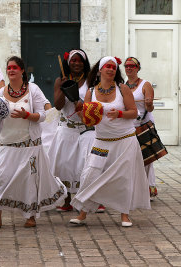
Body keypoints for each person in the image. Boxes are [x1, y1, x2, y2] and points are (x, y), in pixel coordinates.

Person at [0, 56, 67, 228]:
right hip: (8, 145)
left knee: (29, 181)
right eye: (9, 68)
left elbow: (43, 115)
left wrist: (26, 115)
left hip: (30, 146)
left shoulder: (32, 90)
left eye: (14, 68)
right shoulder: (0, 93)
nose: (11, 70)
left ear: (21, 71)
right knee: (1, 177)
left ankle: (30, 215)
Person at [69, 56, 151, 227]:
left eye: (114, 67)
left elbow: (134, 112)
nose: (111, 69)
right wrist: (81, 114)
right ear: (100, 70)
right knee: (90, 173)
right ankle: (83, 213)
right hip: (101, 141)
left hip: (125, 140)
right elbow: (87, 120)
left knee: (124, 178)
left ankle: (125, 215)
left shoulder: (123, 89)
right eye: (108, 66)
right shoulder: (91, 92)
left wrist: (120, 114)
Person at [48, 49, 103, 212]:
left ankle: (93, 199)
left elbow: (96, 103)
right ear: (68, 63)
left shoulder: (91, 81)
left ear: (84, 63)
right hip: (67, 129)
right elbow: (57, 105)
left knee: (89, 164)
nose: (77, 64)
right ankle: (66, 200)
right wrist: (65, 88)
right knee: (65, 165)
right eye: (73, 61)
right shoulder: (60, 80)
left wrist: (84, 106)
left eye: (80, 61)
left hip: (87, 129)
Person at [124, 57, 157, 200]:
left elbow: (150, 108)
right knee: (131, 158)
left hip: (144, 124)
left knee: (147, 158)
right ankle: (135, 187)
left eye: (132, 66)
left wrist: (149, 103)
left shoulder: (145, 84)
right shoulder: (122, 86)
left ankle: (149, 188)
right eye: (126, 66)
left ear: (137, 68)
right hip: (129, 126)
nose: (129, 68)